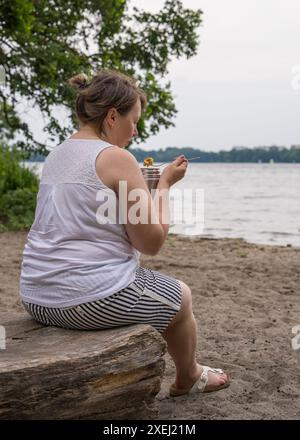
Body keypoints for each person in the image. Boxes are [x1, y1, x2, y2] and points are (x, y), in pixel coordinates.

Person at [20, 70, 229, 396]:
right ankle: (188, 375)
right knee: (182, 298)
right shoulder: (117, 158)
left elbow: (86, 216)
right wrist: (163, 186)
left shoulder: (56, 155)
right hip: (86, 298)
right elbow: (151, 242)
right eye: (133, 120)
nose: (135, 130)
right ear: (112, 116)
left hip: (36, 296)